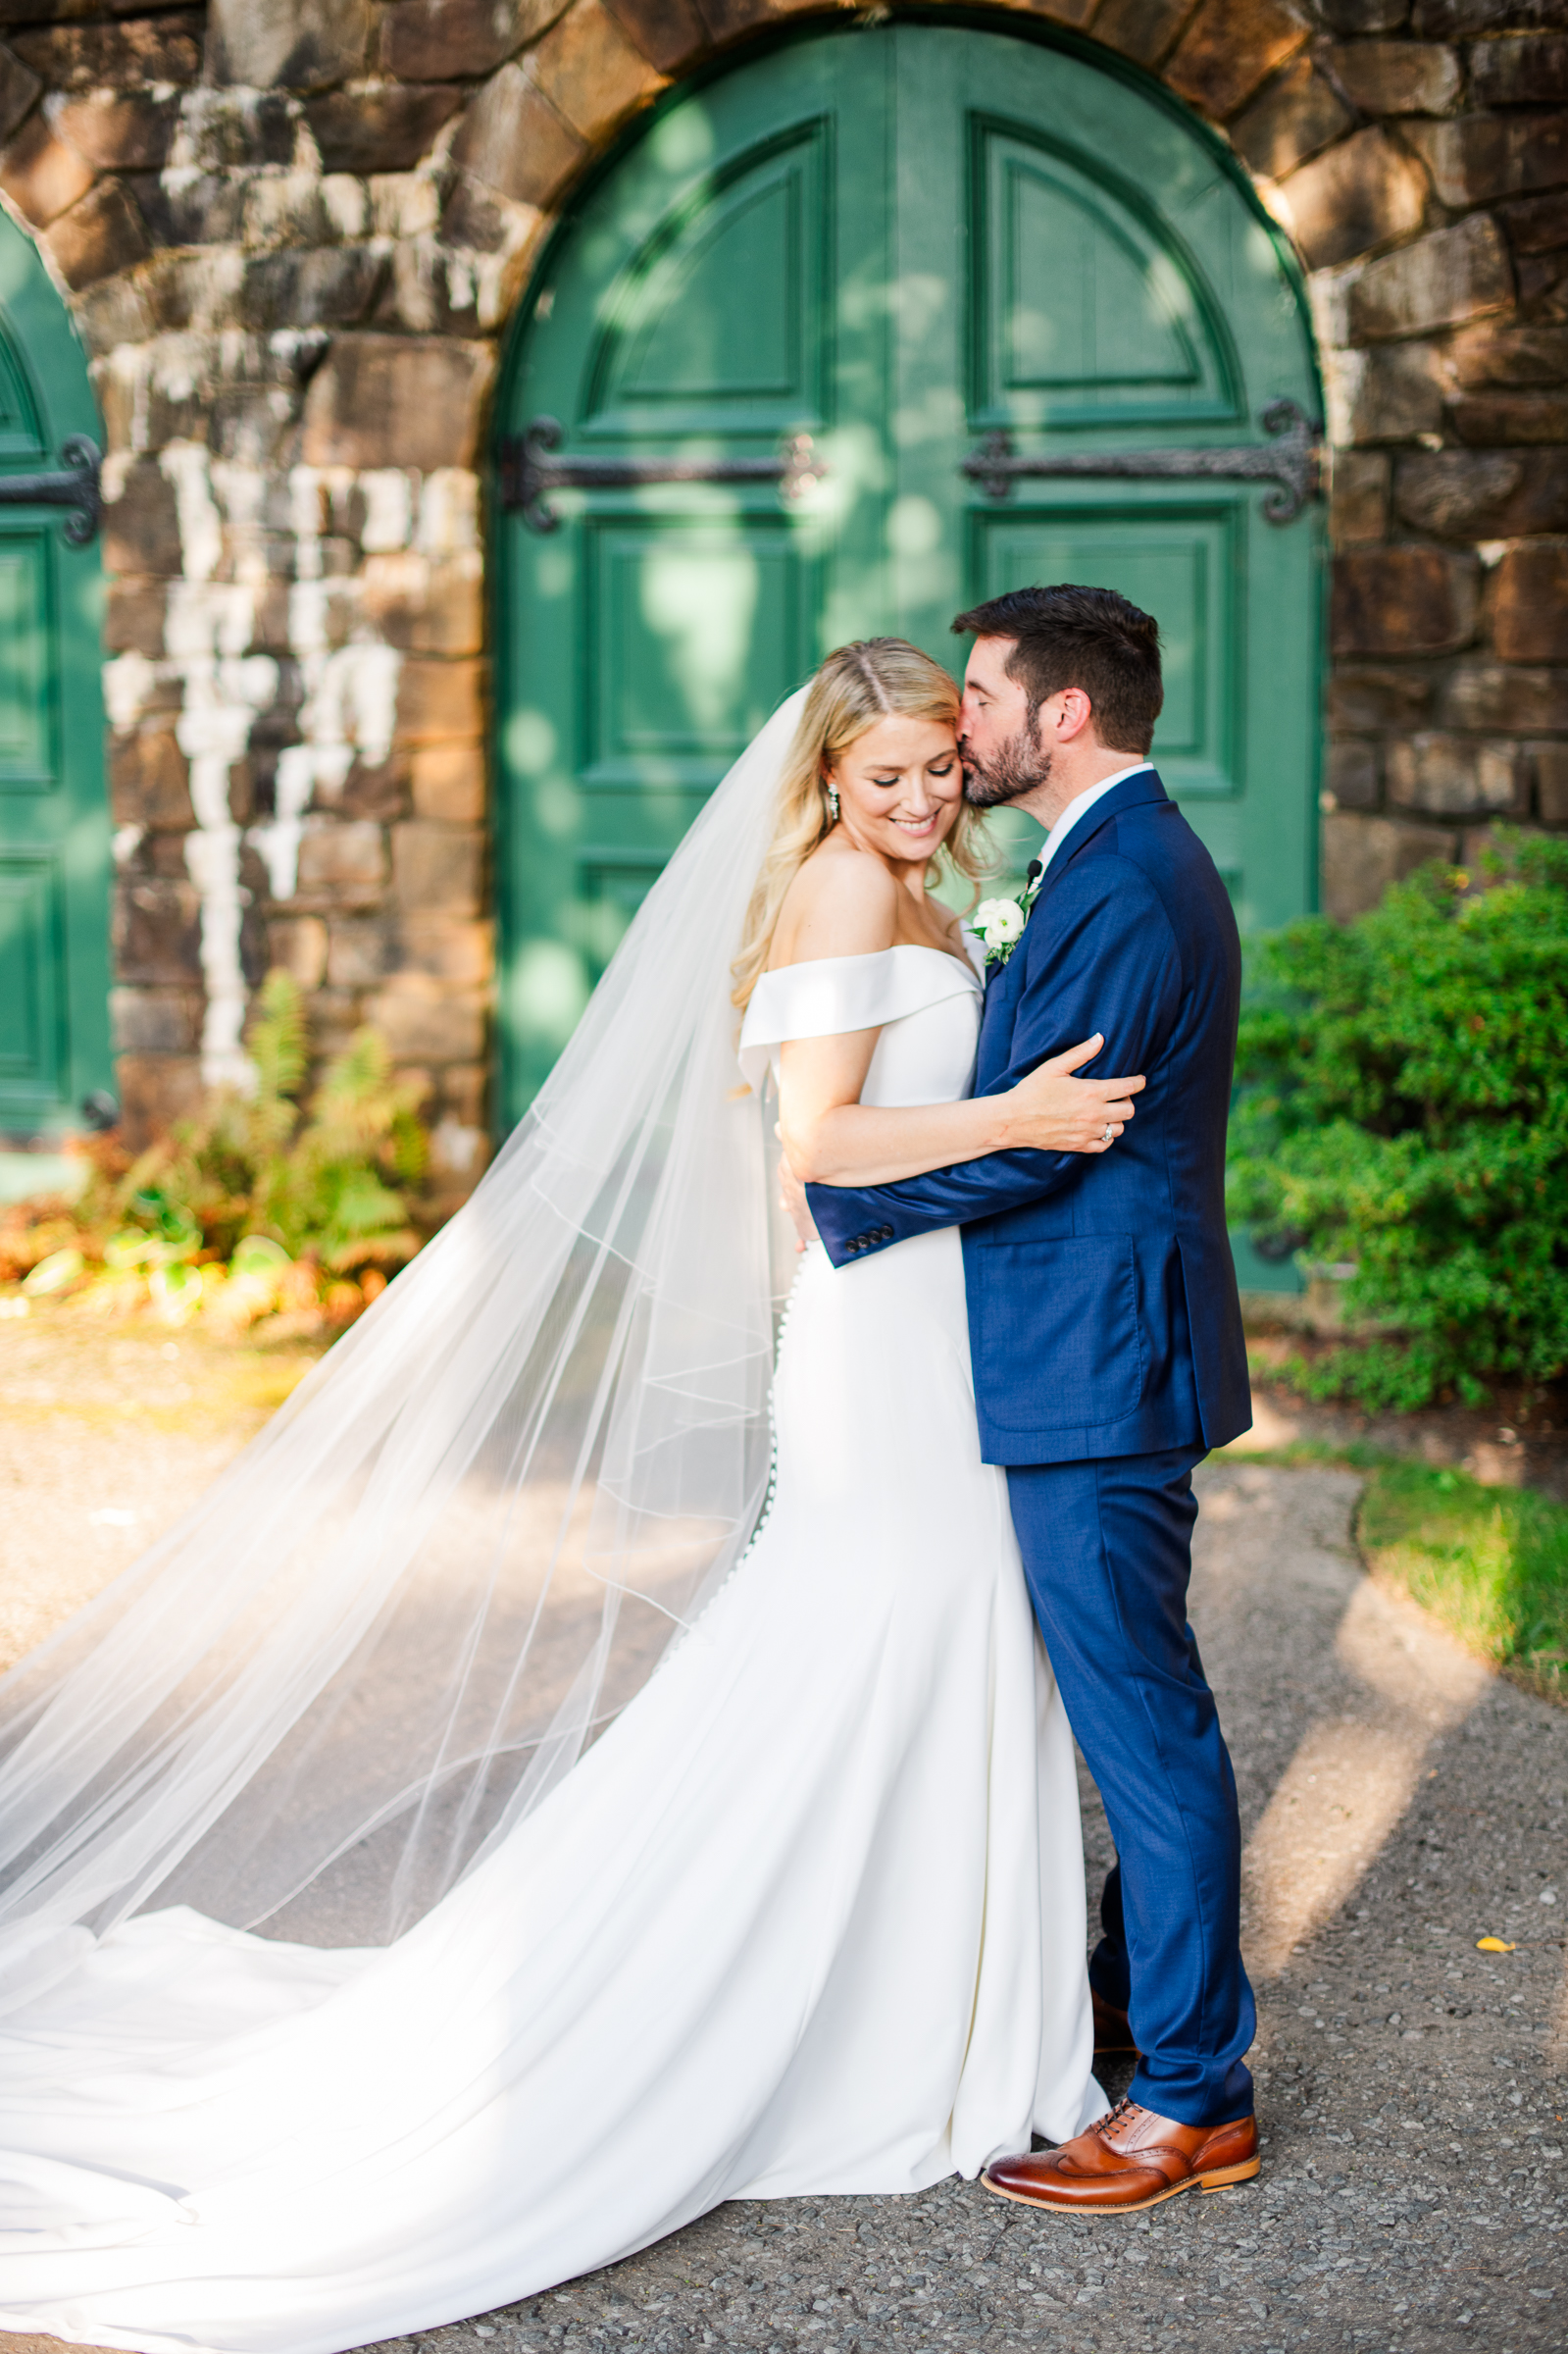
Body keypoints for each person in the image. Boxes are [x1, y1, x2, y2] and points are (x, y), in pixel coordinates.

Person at [0, 640, 1141, 2354]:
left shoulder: (914, 895)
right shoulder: (841, 898)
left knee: (952, 1642)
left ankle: (944, 2015)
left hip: (936, 1332)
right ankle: (828, 2021)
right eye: (885, 775)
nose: (917, 800)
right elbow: (816, 1144)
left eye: (933, 773)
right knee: (889, 1638)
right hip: (882, 1340)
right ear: (828, 776)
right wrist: (1026, 1112)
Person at [801, 586, 1260, 2216]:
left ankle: (1193, 2096)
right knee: (1138, 1706)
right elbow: (1025, 1114)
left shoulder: (1127, 883)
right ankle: (1140, 2010)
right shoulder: (1098, 865)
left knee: (1144, 1720)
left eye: (984, 697)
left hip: (1097, 1359)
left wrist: (835, 1214)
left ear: (1060, 714)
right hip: (1080, 1347)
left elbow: (1037, 1135)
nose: (963, 726)